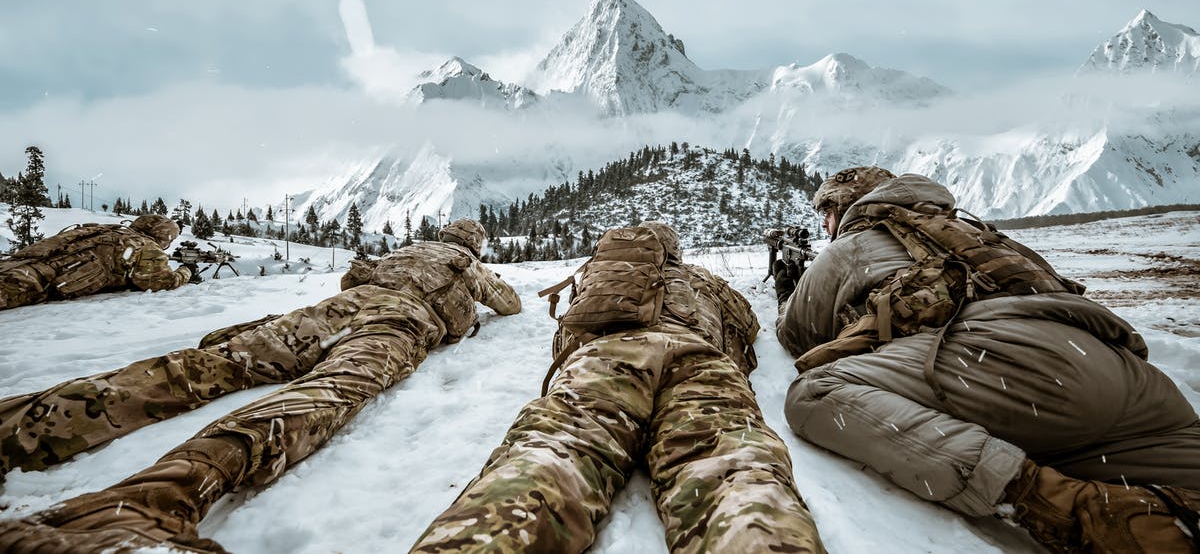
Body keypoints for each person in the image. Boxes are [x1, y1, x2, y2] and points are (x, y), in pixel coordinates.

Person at [0, 218, 521, 553]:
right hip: (397, 324)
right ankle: (152, 501)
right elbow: (510, 304)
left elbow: (354, 278)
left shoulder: (405, 250)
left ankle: (23, 426)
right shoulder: (467, 264)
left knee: (212, 364)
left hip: (330, 311)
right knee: (331, 390)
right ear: (472, 245)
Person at [773, 167, 1200, 553]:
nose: (825, 226)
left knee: (816, 392)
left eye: (826, 215)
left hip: (1005, 367)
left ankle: (1054, 501)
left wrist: (788, 290)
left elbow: (798, 334)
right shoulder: (979, 233)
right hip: (1120, 372)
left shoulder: (853, 243)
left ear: (846, 208)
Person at [412, 221, 826, 554]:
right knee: (734, 469)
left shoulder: (602, 275)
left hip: (605, 361)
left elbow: (567, 336)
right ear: (675, 252)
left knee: (551, 457)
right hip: (697, 364)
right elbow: (748, 326)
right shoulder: (703, 279)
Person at [0, 214, 194, 311]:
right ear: (161, 236)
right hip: (33, 282)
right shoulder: (145, 246)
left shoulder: (110, 231)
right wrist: (187, 271)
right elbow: (161, 282)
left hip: (18, 265)